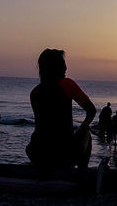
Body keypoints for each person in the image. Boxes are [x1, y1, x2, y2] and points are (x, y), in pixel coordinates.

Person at [26, 48, 96, 176]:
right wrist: (83, 126)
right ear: (56, 67)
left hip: (37, 153)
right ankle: (81, 173)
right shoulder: (67, 84)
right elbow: (91, 111)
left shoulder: (34, 92)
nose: (66, 67)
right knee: (86, 132)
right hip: (64, 154)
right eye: (63, 63)